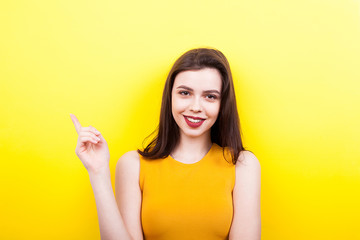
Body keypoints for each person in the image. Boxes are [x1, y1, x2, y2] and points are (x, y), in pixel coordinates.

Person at [70, 48, 261, 240]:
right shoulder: (132, 165)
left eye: (210, 96)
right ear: (170, 96)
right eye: (185, 93)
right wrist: (98, 172)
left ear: (222, 104)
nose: (195, 107)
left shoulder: (242, 165)